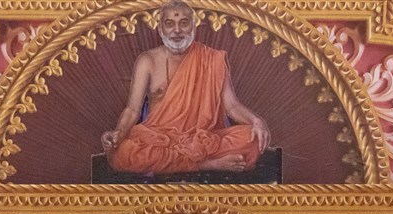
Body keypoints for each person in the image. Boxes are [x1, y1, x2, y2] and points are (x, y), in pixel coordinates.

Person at [101, 0, 271, 174]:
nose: (177, 30)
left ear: (193, 28)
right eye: (170, 24)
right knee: (123, 152)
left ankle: (181, 162)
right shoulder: (147, 61)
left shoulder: (212, 59)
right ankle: (206, 164)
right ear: (160, 29)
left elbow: (232, 106)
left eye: (183, 23)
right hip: (160, 139)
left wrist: (256, 121)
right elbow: (132, 109)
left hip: (202, 139)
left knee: (251, 139)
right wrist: (118, 133)